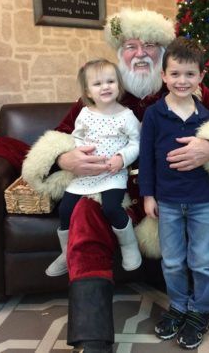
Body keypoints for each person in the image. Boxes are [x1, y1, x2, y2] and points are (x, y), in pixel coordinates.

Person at [0, 7, 209, 353]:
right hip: (123, 195)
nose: (141, 53)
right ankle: (92, 343)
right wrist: (63, 157)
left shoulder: (193, 93)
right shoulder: (103, 93)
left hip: (191, 192)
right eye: (131, 45)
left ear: (163, 55)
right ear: (120, 54)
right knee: (86, 216)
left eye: (150, 44)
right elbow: (61, 136)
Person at [138, 37, 209, 349]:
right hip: (168, 202)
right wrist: (148, 195)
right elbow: (146, 157)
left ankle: (200, 311)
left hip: (203, 200)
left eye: (190, 74)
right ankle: (178, 306)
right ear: (163, 76)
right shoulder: (153, 114)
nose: (182, 80)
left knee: (202, 260)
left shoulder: (208, 118)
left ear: (201, 77)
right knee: (173, 260)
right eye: (175, 74)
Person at [45, 59, 141, 277]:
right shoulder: (86, 113)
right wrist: (79, 152)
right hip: (85, 174)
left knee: (111, 208)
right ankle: (66, 252)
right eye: (97, 84)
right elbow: (76, 135)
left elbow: (137, 143)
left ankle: (129, 245)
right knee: (64, 210)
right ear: (88, 90)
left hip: (112, 173)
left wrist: (121, 158)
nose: (105, 87)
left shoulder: (126, 116)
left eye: (110, 81)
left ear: (119, 85)